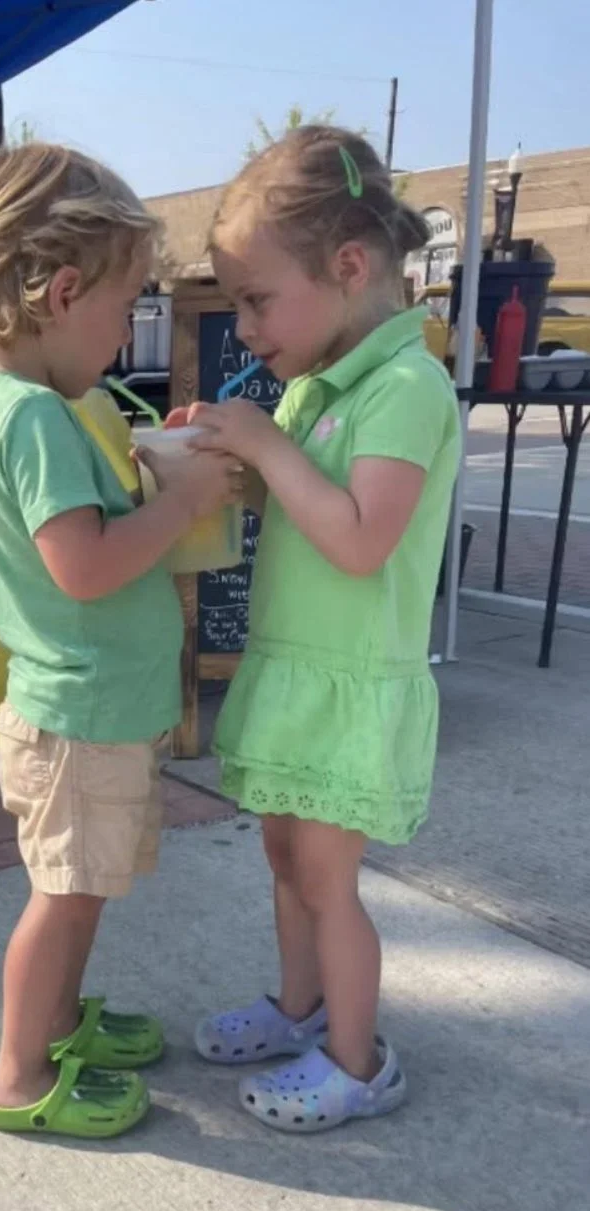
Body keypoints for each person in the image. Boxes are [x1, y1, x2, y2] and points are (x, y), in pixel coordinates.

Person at [0, 143, 240, 1138]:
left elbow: (83, 530)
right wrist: (184, 496)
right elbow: (87, 565)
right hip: (77, 718)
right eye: (126, 310)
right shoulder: (31, 419)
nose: (125, 335)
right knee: (61, 895)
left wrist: (153, 470)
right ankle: (19, 1077)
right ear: (62, 293)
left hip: (93, 709)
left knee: (83, 884)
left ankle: (59, 1021)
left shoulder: (17, 403)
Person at [177, 126, 458, 1132]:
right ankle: (300, 1010)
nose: (244, 325)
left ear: (348, 267)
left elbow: (358, 540)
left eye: (257, 299)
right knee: (287, 863)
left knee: (331, 882)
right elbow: (301, 508)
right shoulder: (313, 387)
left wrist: (264, 442)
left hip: (351, 684)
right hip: (295, 669)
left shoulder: (405, 386)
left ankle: (357, 1057)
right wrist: (231, 467)